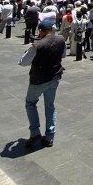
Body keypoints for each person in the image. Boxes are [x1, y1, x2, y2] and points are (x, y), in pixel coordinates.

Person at [19, 12, 66, 149]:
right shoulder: (61, 39)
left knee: (30, 103)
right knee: (50, 106)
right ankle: (50, 136)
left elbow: (23, 62)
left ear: (41, 31)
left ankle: (35, 132)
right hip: (54, 78)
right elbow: (63, 54)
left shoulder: (37, 45)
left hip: (38, 80)